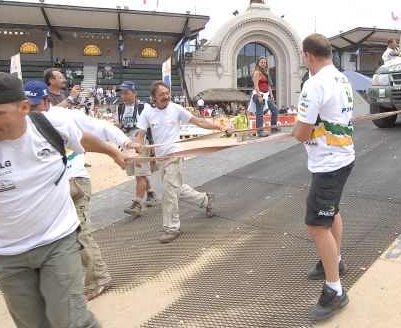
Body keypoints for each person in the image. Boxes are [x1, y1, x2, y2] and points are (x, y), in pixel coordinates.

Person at [0, 72, 117, 328]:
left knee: (71, 321)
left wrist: (116, 152)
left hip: (58, 242)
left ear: (23, 108)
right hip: (7, 256)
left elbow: (83, 139)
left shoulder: (49, 127)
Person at [24, 80, 133, 301]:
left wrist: (124, 145)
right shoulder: (19, 122)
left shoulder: (62, 117)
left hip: (73, 181)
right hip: (46, 188)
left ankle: (99, 278)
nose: (33, 110)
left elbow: (96, 131)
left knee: (80, 232)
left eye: (36, 104)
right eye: (28, 105)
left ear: (47, 100)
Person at [292, 33, 355, 320]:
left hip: (329, 164)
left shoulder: (314, 84)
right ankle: (335, 261)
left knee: (316, 225)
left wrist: (296, 130)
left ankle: (335, 291)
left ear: (308, 55)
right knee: (331, 213)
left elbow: (301, 133)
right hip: (342, 158)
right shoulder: (342, 79)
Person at [135, 81, 231, 243]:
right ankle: (206, 200)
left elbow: (199, 122)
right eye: (161, 94)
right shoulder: (147, 113)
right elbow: (140, 134)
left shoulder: (176, 108)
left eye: (167, 93)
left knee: (169, 192)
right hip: (161, 159)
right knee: (176, 188)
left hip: (175, 155)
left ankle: (171, 228)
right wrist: (138, 151)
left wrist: (220, 128)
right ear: (153, 98)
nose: (166, 96)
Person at [115, 81, 159, 216]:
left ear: (135, 93)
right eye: (122, 93)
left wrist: (152, 146)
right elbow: (118, 126)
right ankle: (151, 193)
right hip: (127, 145)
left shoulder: (143, 107)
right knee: (139, 174)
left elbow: (150, 127)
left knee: (140, 175)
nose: (124, 96)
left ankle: (137, 204)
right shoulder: (119, 108)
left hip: (141, 144)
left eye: (127, 93)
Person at [251, 56, 279, 137]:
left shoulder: (265, 73)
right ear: (258, 64)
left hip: (266, 95)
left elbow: (268, 85)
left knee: (275, 109)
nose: (263, 64)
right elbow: (256, 85)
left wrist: (271, 95)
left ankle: (273, 127)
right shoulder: (257, 73)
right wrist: (259, 96)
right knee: (260, 114)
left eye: (265, 62)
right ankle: (260, 131)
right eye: (262, 62)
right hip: (259, 95)